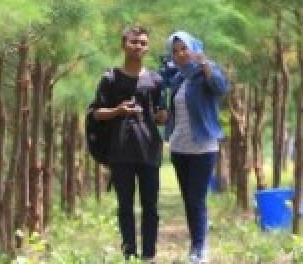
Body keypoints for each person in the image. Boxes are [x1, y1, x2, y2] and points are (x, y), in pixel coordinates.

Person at [88, 24, 168, 261]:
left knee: (150, 207)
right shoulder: (110, 79)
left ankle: (149, 255)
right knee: (125, 207)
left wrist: (162, 117)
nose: (138, 46)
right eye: (133, 42)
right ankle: (129, 254)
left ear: (147, 47)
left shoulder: (156, 80)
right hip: (120, 151)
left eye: (143, 42)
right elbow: (95, 113)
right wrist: (117, 110)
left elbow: (161, 115)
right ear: (123, 44)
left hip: (149, 150)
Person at [165, 30, 228, 264]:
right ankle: (196, 246)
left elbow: (221, 89)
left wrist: (206, 65)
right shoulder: (178, 79)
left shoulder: (204, 72)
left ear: (193, 48)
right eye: (175, 51)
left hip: (203, 146)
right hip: (179, 147)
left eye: (184, 48)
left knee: (196, 199)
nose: (180, 54)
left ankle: (200, 248)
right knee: (188, 200)